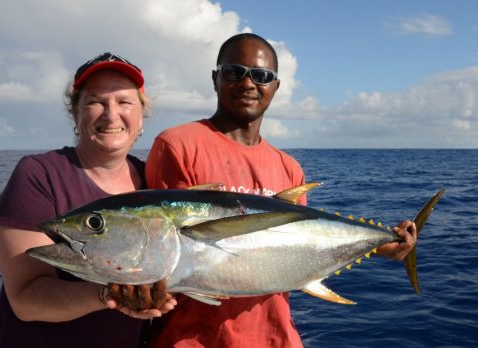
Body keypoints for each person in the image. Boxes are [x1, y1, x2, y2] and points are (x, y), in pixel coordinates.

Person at [144, 33, 417, 347]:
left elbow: (299, 247)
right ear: (215, 77)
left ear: (275, 87)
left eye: (261, 76)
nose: (248, 83)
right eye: (234, 72)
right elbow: (169, 252)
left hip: (278, 338)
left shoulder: (289, 168)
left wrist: (382, 245)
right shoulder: (179, 145)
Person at [0, 52, 176, 348]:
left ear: (141, 114)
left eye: (124, 102)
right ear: (75, 113)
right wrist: (111, 294)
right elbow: (25, 298)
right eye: (96, 101)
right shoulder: (39, 174)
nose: (111, 114)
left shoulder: (153, 181)